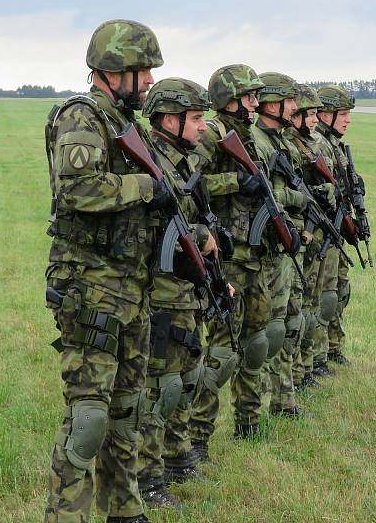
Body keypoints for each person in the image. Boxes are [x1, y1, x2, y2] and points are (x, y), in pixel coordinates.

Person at [43, 19, 168, 523]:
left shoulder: (125, 124)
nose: (151, 83)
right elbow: (77, 190)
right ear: (116, 72)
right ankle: (65, 515)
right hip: (90, 287)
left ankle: (124, 509)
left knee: (127, 409)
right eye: (145, 72)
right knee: (89, 417)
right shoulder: (83, 118)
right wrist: (143, 187)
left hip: (129, 286)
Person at [134, 78, 219, 509]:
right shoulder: (149, 161)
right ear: (171, 119)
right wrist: (200, 235)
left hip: (184, 290)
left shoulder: (180, 162)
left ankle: (177, 455)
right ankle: (148, 479)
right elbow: (146, 229)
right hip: (161, 293)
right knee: (158, 388)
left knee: (187, 377)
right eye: (197, 117)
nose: (204, 127)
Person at [187, 64, 273, 451]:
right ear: (229, 99)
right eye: (249, 96)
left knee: (256, 342)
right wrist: (236, 181)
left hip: (254, 256)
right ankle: (198, 437)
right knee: (221, 350)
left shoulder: (249, 137)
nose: (256, 103)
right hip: (226, 257)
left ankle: (249, 422)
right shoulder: (212, 134)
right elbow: (189, 185)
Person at [250, 72, 309, 418]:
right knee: (265, 333)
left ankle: (284, 401)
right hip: (262, 250)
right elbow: (264, 194)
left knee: (286, 324)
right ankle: (253, 412)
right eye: (290, 102)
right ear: (273, 103)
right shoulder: (255, 140)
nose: (296, 109)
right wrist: (293, 197)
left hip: (283, 246)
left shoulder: (283, 142)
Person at [284, 84, 335, 391]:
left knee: (312, 303)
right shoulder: (290, 145)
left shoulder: (311, 144)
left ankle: (306, 367)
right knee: (298, 308)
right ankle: (298, 373)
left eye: (317, 113)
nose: (315, 120)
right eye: (310, 113)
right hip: (300, 232)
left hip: (313, 230)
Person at [314, 85, 357, 371]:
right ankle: (317, 356)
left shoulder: (334, 144)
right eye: (342, 114)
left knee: (339, 289)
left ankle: (332, 345)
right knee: (325, 294)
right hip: (325, 229)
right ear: (325, 114)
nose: (348, 120)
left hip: (337, 227)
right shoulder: (319, 143)